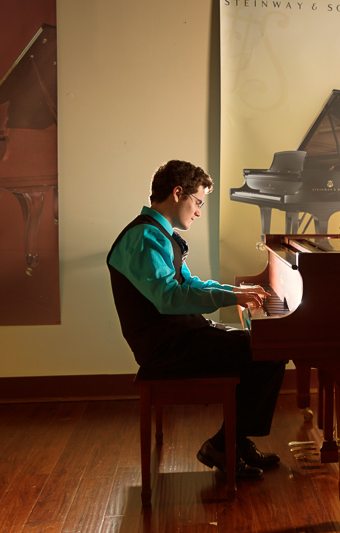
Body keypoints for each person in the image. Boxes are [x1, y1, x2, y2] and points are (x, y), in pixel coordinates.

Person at [107, 160, 286, 479]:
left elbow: (188, 284)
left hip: (180, 336)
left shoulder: (159, 234)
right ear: (178, 193)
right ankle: (222, 445)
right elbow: (168, 297)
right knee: (268, 350)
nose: (199, 211)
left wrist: (234, 290)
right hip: (166, 347)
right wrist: (232, 297)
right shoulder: (144, 238)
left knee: (261, 347)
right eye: (198, 201)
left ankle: (234, 441)